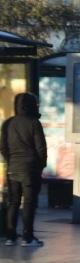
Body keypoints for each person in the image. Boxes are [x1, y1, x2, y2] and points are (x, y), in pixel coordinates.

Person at [1, 93, 47, 247]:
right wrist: (40, 165)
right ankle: (27, 238)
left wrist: (11, 161)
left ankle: (10, 237)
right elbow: (41, 148)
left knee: (13, 202)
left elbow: (3, 147)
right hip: (30, 169)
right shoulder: (34, 123)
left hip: (12, 168)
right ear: (31, 105)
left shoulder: (8, 123)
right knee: (29, 203)